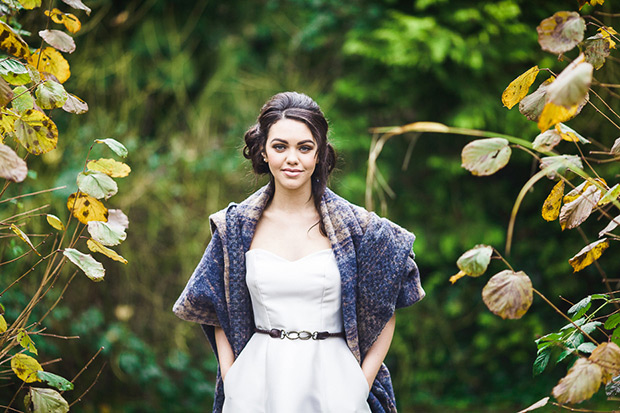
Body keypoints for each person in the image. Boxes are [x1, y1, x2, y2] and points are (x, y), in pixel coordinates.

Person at [173, 91, 424, 413]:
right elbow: (212, 304)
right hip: (256, 385)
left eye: (304, 148)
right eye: (280, 146)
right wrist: (232, 377)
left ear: (319, 154)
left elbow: (388, 300)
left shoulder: (359, 228)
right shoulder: (234, 227)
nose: (292, 158)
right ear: (263, 152)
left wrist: (360, 385)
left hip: (337, 385)